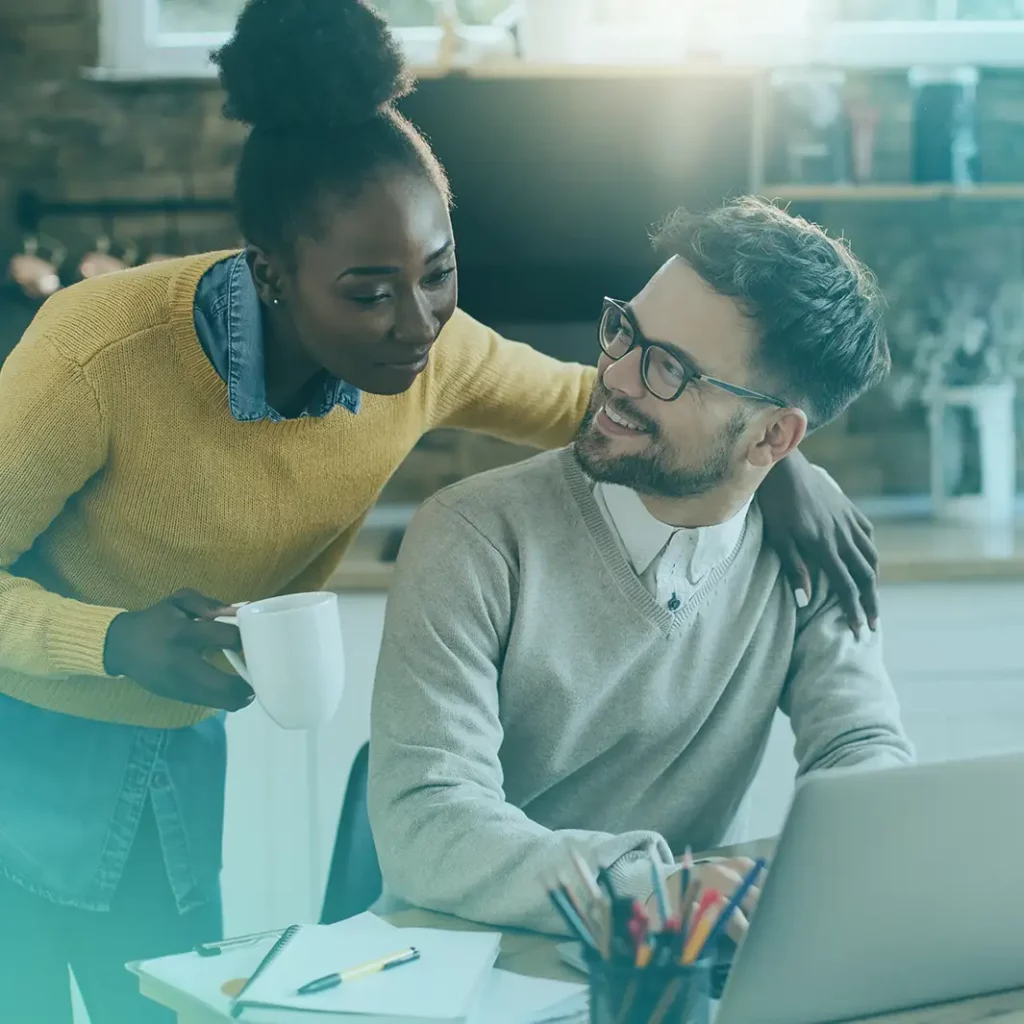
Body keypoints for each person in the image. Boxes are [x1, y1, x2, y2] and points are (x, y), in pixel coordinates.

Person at [0, 3, 875, 1021]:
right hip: (29, 730)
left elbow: (616, 408)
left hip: (177, 741)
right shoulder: (95, 355)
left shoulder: (425, 353)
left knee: (165, 1002)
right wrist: (107, 642)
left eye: (441, 272)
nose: (417, 325)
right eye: (370, 291)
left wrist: (783, 462)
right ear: (271, 273)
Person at [368, 197, 915, 938]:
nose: (617, 375)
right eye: (625, 330)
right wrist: (655, 894)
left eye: (670, 369)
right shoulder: (475, 536)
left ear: (772, 439)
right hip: (472, 971)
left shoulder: (814, 549)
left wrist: (850, 854)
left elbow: (862, 746)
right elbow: (426, 823)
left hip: (681, 965)